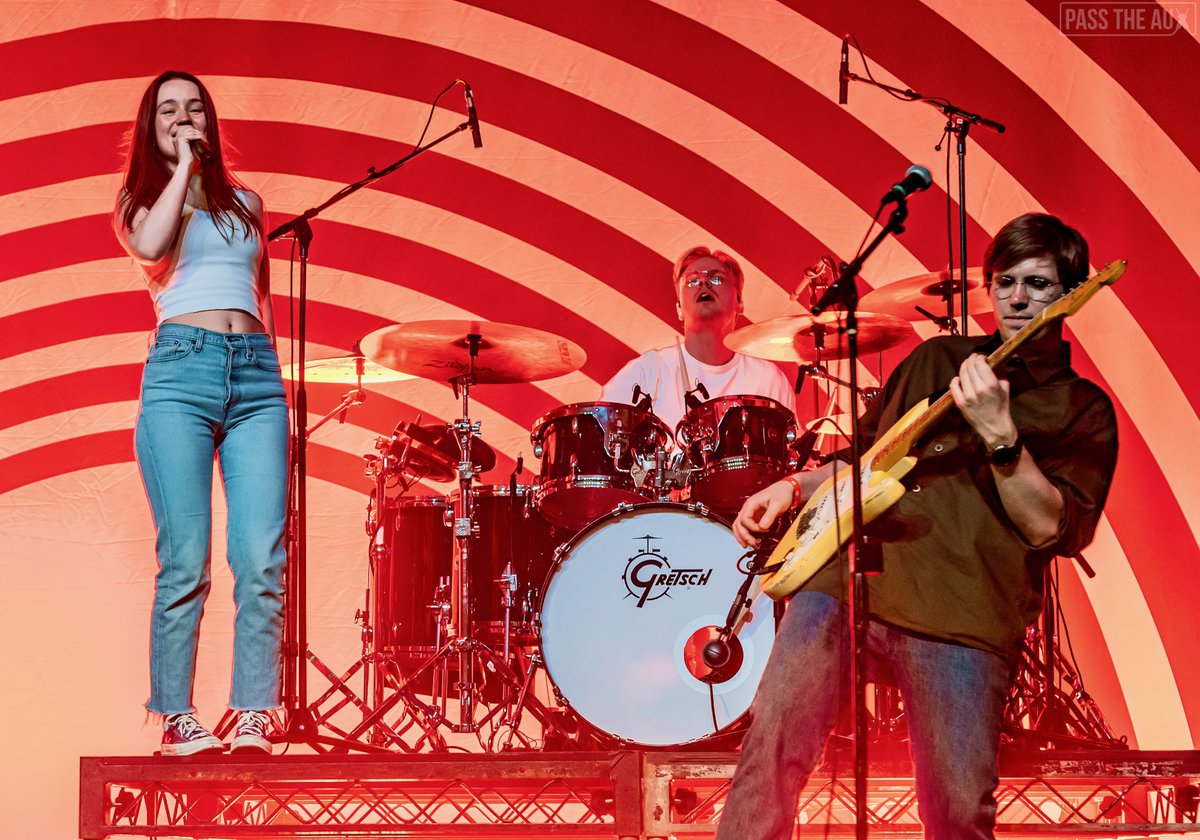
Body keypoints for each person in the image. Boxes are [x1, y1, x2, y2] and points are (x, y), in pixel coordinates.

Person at [715, 213, 1119, 838]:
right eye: (1004, 281)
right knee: (768, 753)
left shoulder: (1081, 407)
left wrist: (1001, 436)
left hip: (962, 610)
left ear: (1069, 294)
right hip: (848, 584)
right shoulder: (938, 359)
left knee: (956, 814)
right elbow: (864, 463)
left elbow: (1049, 529)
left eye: (1036, 284)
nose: (1015, 298)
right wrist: (790, 485)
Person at [114, 71, 287, 756]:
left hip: (255, 376)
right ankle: (176, 716)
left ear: (212, 123)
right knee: (186, 558)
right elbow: (154, 250)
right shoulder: (139, 203)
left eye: (195, 110)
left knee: (261, 555)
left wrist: (270, 371)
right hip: (179, 376)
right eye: (168, 112)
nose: (183, 119)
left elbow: (261, 294)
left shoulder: (247, 203)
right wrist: (183, 167)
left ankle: (251, 713)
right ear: (151, 127)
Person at [600, 246, 794, 433]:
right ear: (679, 309)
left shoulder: (767, 379)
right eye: (692, 281)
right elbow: (601, 435)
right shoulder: (647, 372)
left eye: (717, 278)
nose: (704, 283)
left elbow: (794, 460)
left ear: (740, 303)